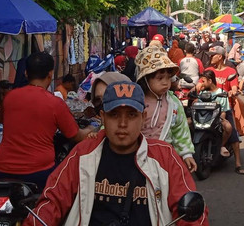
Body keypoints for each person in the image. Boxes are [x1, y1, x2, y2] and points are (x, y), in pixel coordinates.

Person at [22, 81, 209, 226]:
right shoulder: (82, 154)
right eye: (114, 115)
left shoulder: (164, 156)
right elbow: (52, 201)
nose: (122, 123)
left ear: (143, 117)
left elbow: (191, 212)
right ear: (103, 117)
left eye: (131, 115)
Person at [0, 52, 93, 191]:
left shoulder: (9, 97)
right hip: (38, 173)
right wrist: (92, 129)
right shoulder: (55, 103)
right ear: (50, 74)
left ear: (26, 73)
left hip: (2, 170)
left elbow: (3, 121)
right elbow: (76, 136)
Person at [135, 41, 197, 172]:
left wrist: (186, 154)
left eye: (168, 78)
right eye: (160, 78)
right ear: (145, 79)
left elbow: (180, 130)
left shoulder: (173, 103)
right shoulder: (135, 101)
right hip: (136, 156)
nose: (166, 82)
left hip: (164, 158)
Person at [206, 45, 244, 175]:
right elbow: (201, 83)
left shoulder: (230, 71)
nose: (210, 57)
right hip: (207, 106)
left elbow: (234, 87)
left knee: (232, 133)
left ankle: (238, 164)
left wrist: (232, 92)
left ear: (220, 57)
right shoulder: (208, 70)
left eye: (213, 55)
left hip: (224, 106)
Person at [195, 70, 232, 157]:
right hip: (202, 118)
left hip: (216, 118)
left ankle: (221, 145)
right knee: (187, 122)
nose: (202, 84)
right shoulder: (203, 92)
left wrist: (220, 120)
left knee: (228, 127)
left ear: (210, 81)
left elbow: (223, 111)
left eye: (203, 81)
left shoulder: (221, 93)